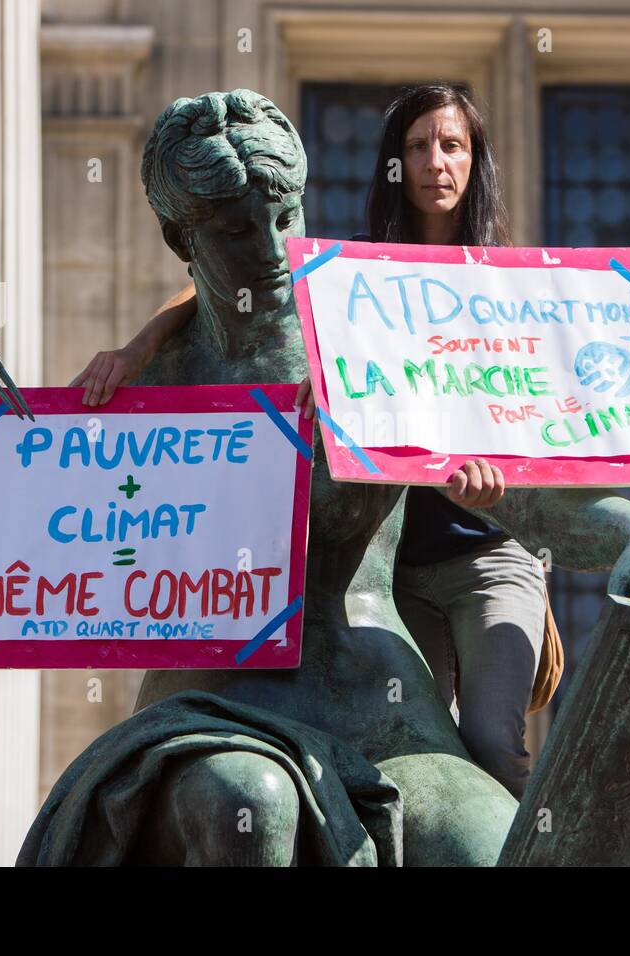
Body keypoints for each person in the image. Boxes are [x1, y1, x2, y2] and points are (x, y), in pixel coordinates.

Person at [71, 84, 554, 799]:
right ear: (393, 163)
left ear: (476, 160)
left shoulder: (513, 284)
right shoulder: (357, 275)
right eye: (417, 146)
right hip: (402, 559)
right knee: (430, 747)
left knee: (488, 743)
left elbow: (542, 419)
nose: (435, 163)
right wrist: (140, 346)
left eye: (452, 146)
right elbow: (205, 292)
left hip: (484, 544)